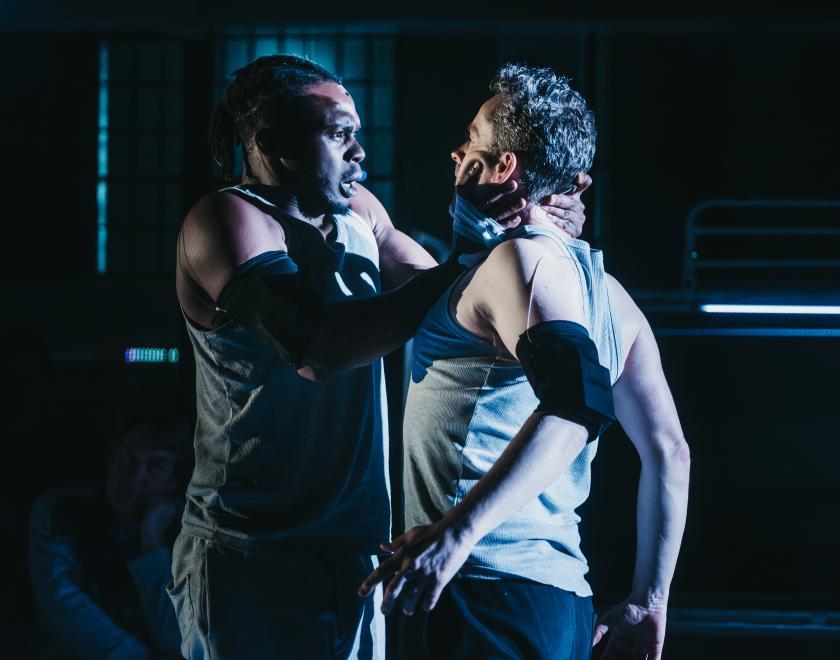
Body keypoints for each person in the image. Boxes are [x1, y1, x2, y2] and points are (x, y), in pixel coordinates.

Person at [171, 54, 591, 660]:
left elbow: (449, 297)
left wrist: (532, 220)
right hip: (253, 547)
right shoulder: (227, 219)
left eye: (358, 134)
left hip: (356, 544)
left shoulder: (361, 210)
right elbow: (316, 349)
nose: (359, 152)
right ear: (271, 143)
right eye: (339, 133)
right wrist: (469, 258)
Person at [358, 63, 691, 660]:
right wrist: (650, 600)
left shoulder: (519, 265)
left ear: (502, 166)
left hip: (479, 587)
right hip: (554, 598)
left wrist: (455, 536)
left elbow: (575, 406)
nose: (458, 152)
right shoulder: (609, 294)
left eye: (473, 139)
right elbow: (669, 450)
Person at [29, 410, 191, 659]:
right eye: (128, 460)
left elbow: (176, 637)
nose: (135, 478)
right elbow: (63, 605)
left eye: (155, 467)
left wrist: (151, 540)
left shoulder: (187, 531)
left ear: (172, 480)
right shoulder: (61, 511)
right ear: (111, 457)